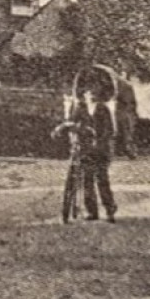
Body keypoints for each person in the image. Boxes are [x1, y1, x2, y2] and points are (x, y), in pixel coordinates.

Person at [50, 92, 93, 223]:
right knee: (73, 181)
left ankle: (82, 210)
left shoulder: (82, 108)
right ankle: (68, 212)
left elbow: (87, 129)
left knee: (84, 180)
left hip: (84, 149)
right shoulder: (73, 106)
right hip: (75, 149)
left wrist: (69, 127)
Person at [83, 92, 118, 222]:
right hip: (86, 149)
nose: (90, 95)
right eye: (87, 92)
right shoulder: (80, 109)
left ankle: (110, 210)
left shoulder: (103, 109)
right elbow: (72, 122)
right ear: (84, 95)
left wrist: (100, 141)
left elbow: (109, 129)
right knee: (87, 180)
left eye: (93, 92)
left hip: (101, 150)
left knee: (101, 179)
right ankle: (92, 211)